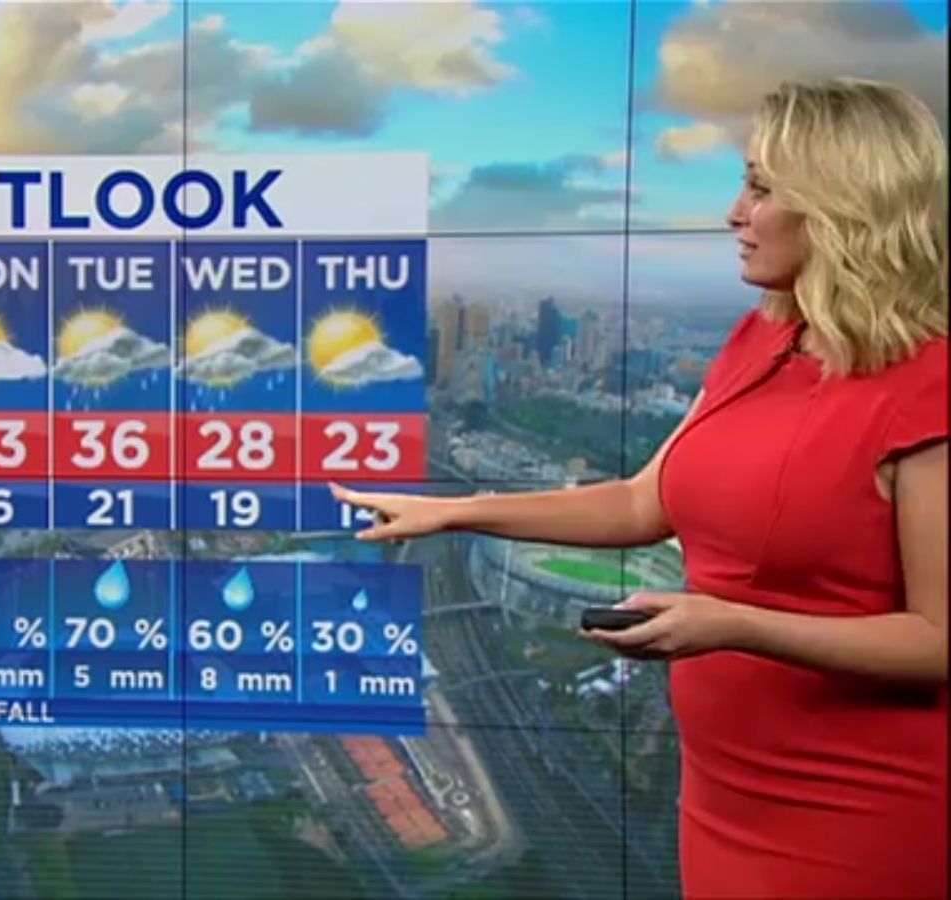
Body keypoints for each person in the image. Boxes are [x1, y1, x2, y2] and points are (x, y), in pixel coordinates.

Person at [333, 77, 947, 899]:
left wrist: (732, 624)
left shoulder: (927, 384)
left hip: (858, 812)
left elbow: (937, 640)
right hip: (724, 799)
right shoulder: (758, 340)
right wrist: (453, 511)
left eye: (760, 189)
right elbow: (640, 502)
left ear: (842, 206)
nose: (734, 213)